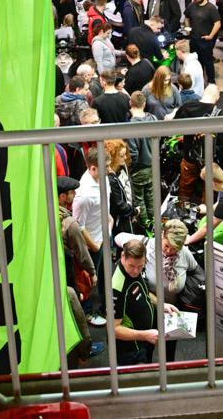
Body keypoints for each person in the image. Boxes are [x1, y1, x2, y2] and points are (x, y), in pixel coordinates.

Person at [112, 238, 178, 366]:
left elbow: (145, 293)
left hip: (145, 340)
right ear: (122, 256)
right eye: (132, 266)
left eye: (140, 266)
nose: (136, 271)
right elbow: (113, 329)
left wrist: (161, 305)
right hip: (131, 350)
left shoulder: (135, 269)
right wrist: (144, 335)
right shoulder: (116, 288)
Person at [73, 148, 113, 326]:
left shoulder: (103, 178)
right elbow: (78, 225)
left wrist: (109, 220)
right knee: (88, 283)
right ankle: (88, 312)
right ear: (93, 168)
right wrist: (95, 246)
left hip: (104, 236)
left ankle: (107, 307)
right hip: (93, 245)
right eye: (106, 166)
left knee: (106, 275)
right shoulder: (83, 194)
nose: (110, 169)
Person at [126, 91, 156, 229]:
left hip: (139, 168)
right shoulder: (153, 119)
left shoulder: (131, 125)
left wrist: (130, 168)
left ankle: (145, 225)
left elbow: (133, 153)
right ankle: (154, 221)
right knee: (151, 195)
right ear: (144, 104)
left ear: (130, 103)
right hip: (153, 165)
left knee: (139, 198)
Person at [184, 0, 221, 84]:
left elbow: (217, 23)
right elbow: (186, 18)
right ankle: (198, 80)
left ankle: (211, 81)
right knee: (196, 62)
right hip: (194, 39)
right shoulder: (191, 6)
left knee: (208, 62)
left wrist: (211, 36)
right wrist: (187, 29)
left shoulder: (211, 8)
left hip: (205, 40)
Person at [104, 140, 139, 244]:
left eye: (125, 154)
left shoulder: (122, 168)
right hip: (119, 222)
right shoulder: (109, 178)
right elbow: (118, 204)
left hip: (128, 216)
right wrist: (134, 211)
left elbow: (130, 186)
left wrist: (135, 206)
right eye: (122, 156)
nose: (125, 157)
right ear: (112, 158)